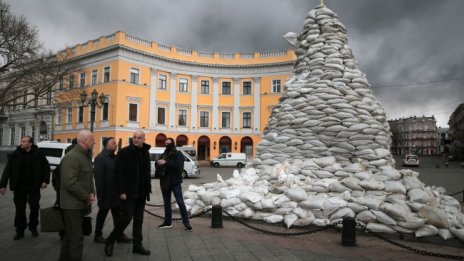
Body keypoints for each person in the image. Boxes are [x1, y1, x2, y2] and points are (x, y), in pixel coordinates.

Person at [104, 130, 152, 257]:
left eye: (139, 138)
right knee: (126, 218)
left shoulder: (146, 152)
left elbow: (146, 174)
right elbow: (117, 173)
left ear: (144, 139)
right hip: (128, 193)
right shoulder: (124, 152)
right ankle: (110, 240)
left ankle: (137, 245)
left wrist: (147, 191)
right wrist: (121, 191)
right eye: (134, 137)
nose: (136, 140)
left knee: (139, 220)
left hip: (141, 193)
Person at [0, 136, 50, 240]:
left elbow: (46, 166)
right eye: (21, 141)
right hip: (19, 186)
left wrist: (45, 180)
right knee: (20, 208)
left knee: (35, 207)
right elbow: (8, 169)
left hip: (34, 185)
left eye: (24, 141)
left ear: (30, 144)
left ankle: (33, 227)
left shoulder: (38, 153)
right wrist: (2, 185)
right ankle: (20, 230)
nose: (21, 143)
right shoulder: (16, 154)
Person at [58, 130, 96, 261]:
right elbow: (69, 182)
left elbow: (88, 178)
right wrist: (86, 196)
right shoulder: (73, 156)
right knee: (76, 239)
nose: (94, 142)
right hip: (71, 205)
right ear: (85, 141)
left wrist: (92, 193)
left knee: (70, 236)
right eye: (92, 140)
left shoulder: (84, 156)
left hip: (78, 203)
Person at [93, 137, 131, 244]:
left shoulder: (114, 157)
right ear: (106, 145)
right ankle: (97, 235)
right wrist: (100, 195)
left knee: (118, 216)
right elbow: (98, 178)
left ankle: (119, 234)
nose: (116, 145)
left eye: (116, 143)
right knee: (102, 215)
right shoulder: (100, 158)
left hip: (115, 193)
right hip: (106, 193)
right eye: (113, 143)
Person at [156, 138, 192, 231]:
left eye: (168, 143)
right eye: (165, 143)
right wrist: (158, 163)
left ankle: (186, 222)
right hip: (165, 182)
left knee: (180, 202)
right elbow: (157, 163)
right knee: (166, 203)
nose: (167, 145)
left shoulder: (178, 154)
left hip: (175, 182)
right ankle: (167, 222)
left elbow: (179, 167)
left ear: (173, 144)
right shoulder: (164, 154)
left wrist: (165, 163)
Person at [51, 137, 77, 241]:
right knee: (69, 215)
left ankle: (64, 234)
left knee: (65, 214)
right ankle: (66, 234)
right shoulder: (72, 157)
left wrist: (57, 188)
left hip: (62, 192)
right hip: (67, 193)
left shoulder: (67, 155)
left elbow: (55, 175)